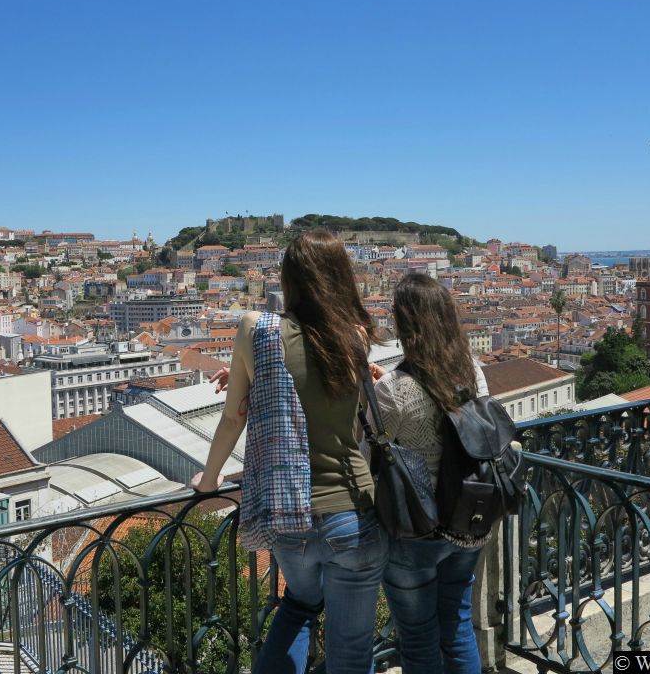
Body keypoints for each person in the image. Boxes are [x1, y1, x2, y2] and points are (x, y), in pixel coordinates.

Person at [191, 229, 386, 674]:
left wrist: (208, 479)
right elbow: (352, 421)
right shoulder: (356, 336)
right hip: (353, 509)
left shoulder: (253, 330)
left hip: (288, 514)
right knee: (352, 651)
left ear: (288, 277)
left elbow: (232, 417)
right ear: (342, 277)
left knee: (298, 605)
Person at [372, 273, 489, 674]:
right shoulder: (472, 370)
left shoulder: (393, 387)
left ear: (405, 325)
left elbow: (366, 444)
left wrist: (370, 392)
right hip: (468, 517)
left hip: (415, 528)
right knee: (457, 626)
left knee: (418, 638)